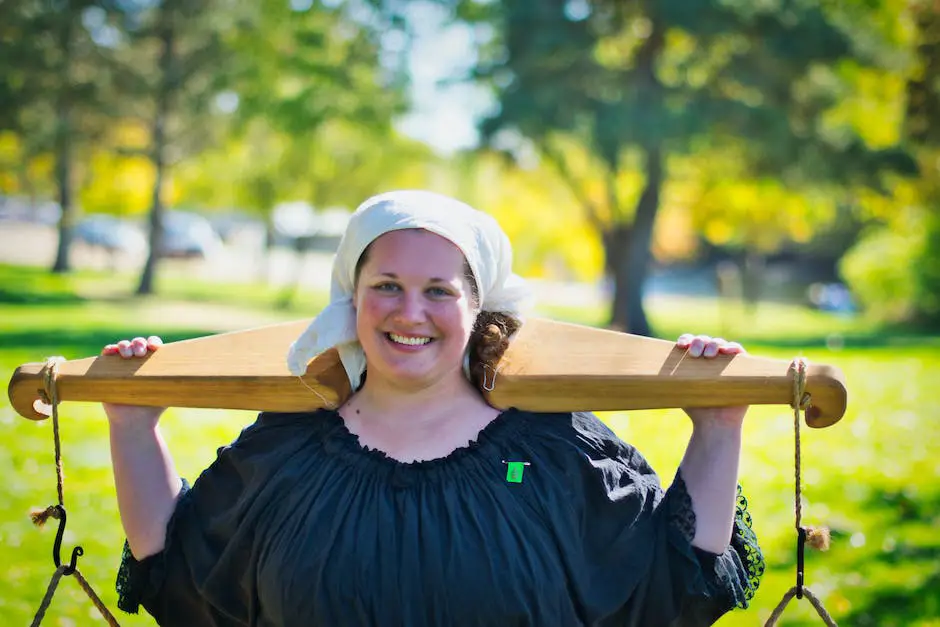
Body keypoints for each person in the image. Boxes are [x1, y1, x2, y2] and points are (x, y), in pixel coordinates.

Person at [102, 190, 763, 627]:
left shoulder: (551, 448)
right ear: (351, 299)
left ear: (479, 309)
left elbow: (674, 581)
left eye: (437, 291)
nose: (409, 312)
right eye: (386, 285)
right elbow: (181, 568)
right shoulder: (287, 451)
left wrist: (719, 422)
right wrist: (132, 422)